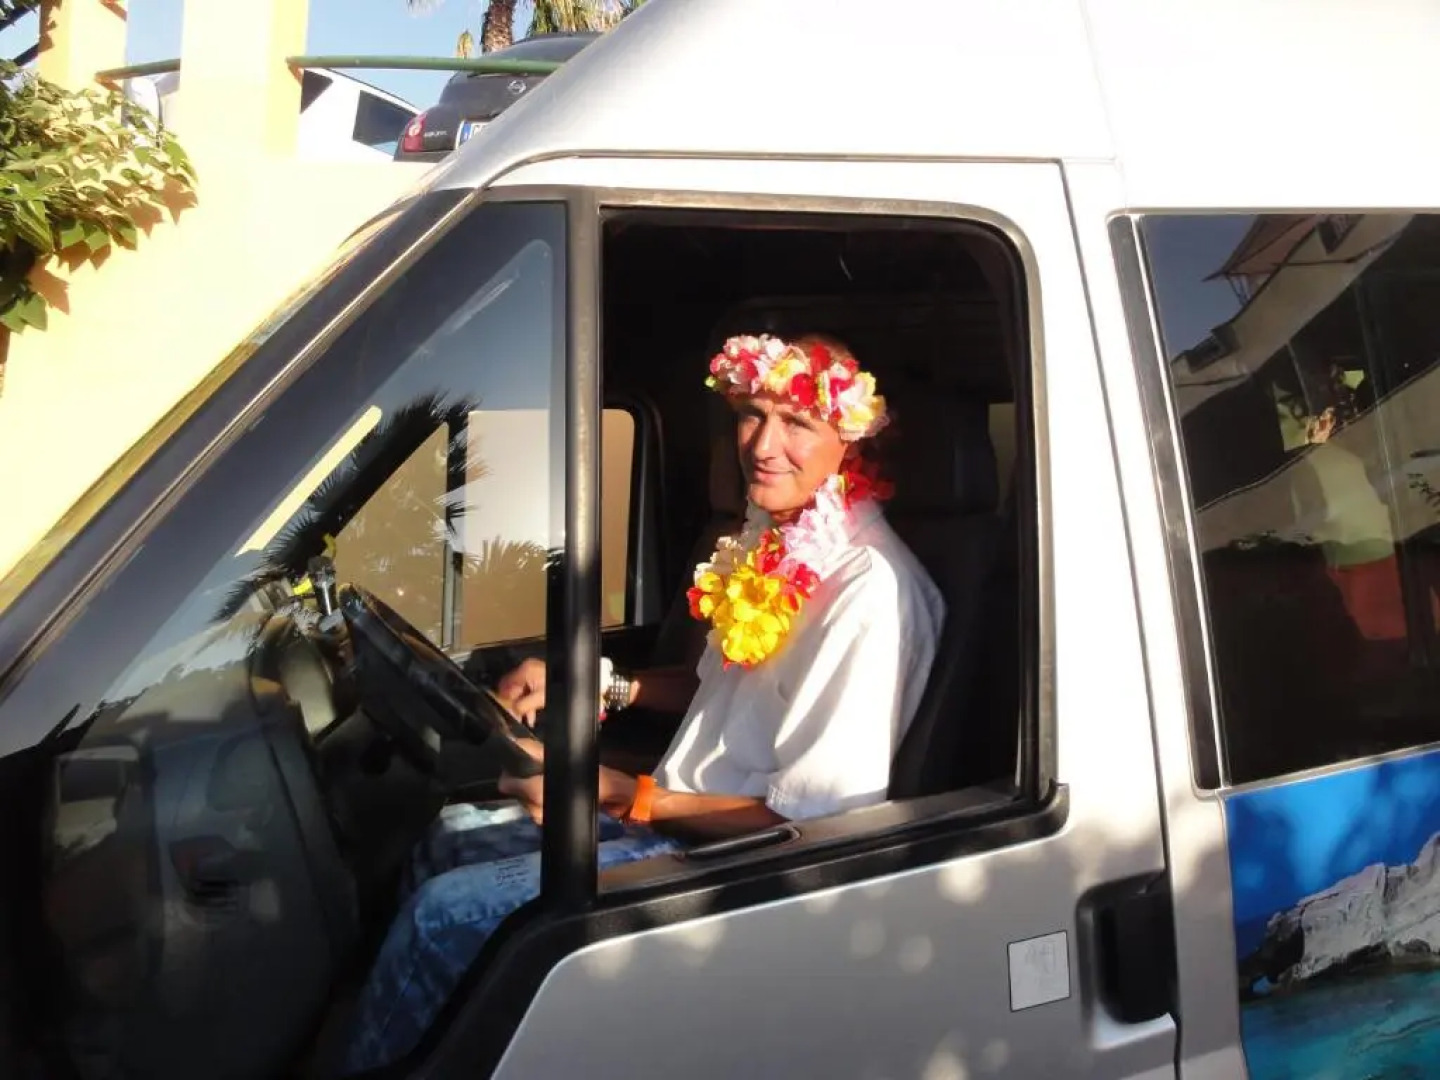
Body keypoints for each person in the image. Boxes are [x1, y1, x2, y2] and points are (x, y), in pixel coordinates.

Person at [343, 333, 946, 1072]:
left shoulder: (867, 593)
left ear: (850, 444)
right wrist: (594, 684)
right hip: (676, 815)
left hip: (735, 866)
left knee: (441, 919)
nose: (762, 445)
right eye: (751, 415)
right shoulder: (780, 542)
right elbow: (714, 686)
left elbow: (814, 827)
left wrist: (621, 792)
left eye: (797, 424)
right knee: (445, 834)